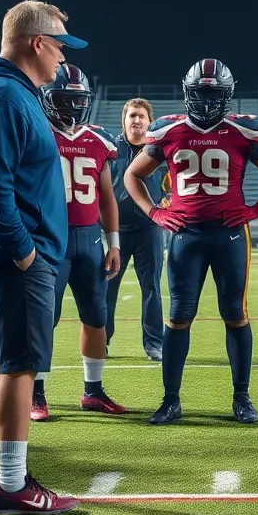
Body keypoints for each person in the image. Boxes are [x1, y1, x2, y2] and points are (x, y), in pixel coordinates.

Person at [0, 0, 84, 515]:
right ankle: (10, 485)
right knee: (18, 368)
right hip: (9, 259)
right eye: (61, 45)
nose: (63, 59)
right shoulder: (6, 95)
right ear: (37, 42)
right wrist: (25, 253)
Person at [125, 58, 258, 426]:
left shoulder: (243, 130)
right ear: (187, 93)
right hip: (186, 236)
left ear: (227, 95)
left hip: (230, 234)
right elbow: (132, 175)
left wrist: (257, 209)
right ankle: (170, 400)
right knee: (178, 317)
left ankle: (242, 397)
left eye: (212, 94)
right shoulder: (167, 130)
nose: (205, 101)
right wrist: (155, 212)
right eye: (199, 93)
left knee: (235, 314)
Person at [34, 64, 126, 420]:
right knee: (44, 319)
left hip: (89, 241)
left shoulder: (98, 138)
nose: (71, 106)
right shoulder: (38, 132)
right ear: (48, 99)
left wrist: (113, 241)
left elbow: (106, 197)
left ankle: (93, 391)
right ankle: (36, 394)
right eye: (63, 98)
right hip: (50, 238)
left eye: (77, 99)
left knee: (96, 316)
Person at [105, 98, 169, 361]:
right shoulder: (111, 149)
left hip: (149, 229)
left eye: (142, 116)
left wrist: (169, 203)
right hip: (115, 231)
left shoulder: (159, 150)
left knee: (151, 288)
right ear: (124, 120)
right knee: (107, 289)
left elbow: (172, 184)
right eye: (132, 116)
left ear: (149, 121)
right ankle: (103, 340)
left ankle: (154, 343)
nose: (137, 120)